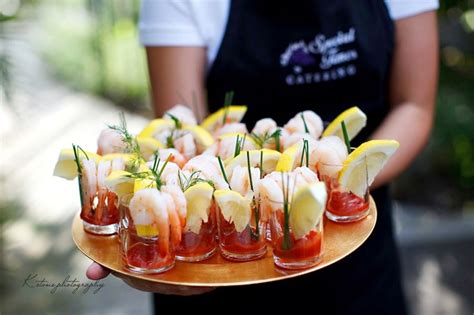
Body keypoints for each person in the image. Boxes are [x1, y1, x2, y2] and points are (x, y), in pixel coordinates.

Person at [87, 0, 439, 313]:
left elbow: (415, 105)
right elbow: (184, 131)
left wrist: (339, 186)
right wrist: (155, 237)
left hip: (357, 264)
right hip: (221, 269)